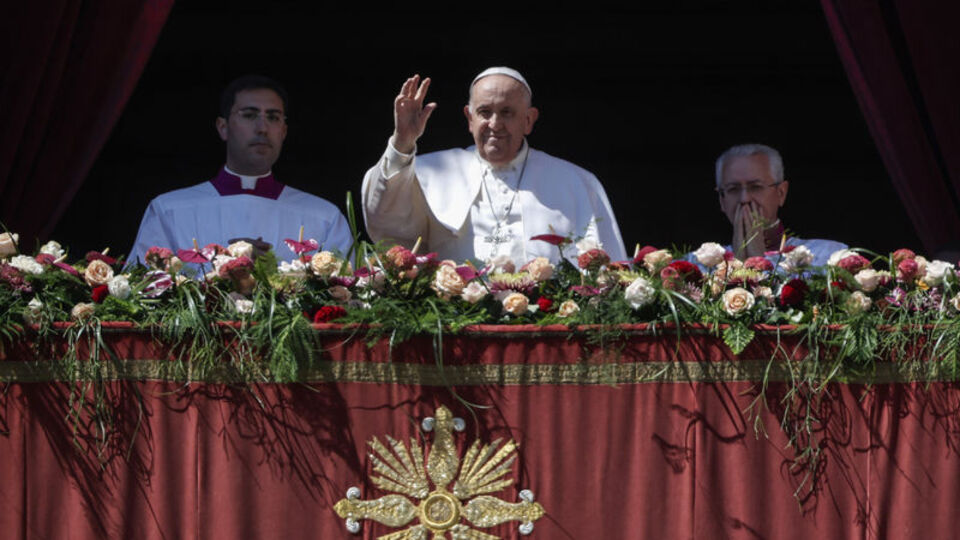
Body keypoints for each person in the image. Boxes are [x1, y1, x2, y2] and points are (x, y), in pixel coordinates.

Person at [361, 67, 626, 265]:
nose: (495, 124)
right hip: (455, 319)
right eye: (485, 112)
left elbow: (608, 271)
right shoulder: (427, 173)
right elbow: (385, 221)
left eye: (507, 112)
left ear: (528, 120)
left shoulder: (575, 181)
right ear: (470, 118)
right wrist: (402, 142)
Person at [128, 75, 351, 263]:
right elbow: (140, 292)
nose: (262, 128)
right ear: (223, 127)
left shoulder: (324, 218)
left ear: (283, 131)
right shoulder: (169, 211)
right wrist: (227, 269)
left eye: (273, 117)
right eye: (249, 115)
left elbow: (349, 296)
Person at [715, 143, 846, 265]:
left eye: (756, 187)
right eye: (733, 189)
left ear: (781, 193)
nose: (744, 199)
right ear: (721, 199)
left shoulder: (829, 256)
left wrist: (757, 262)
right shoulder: (705, 265)